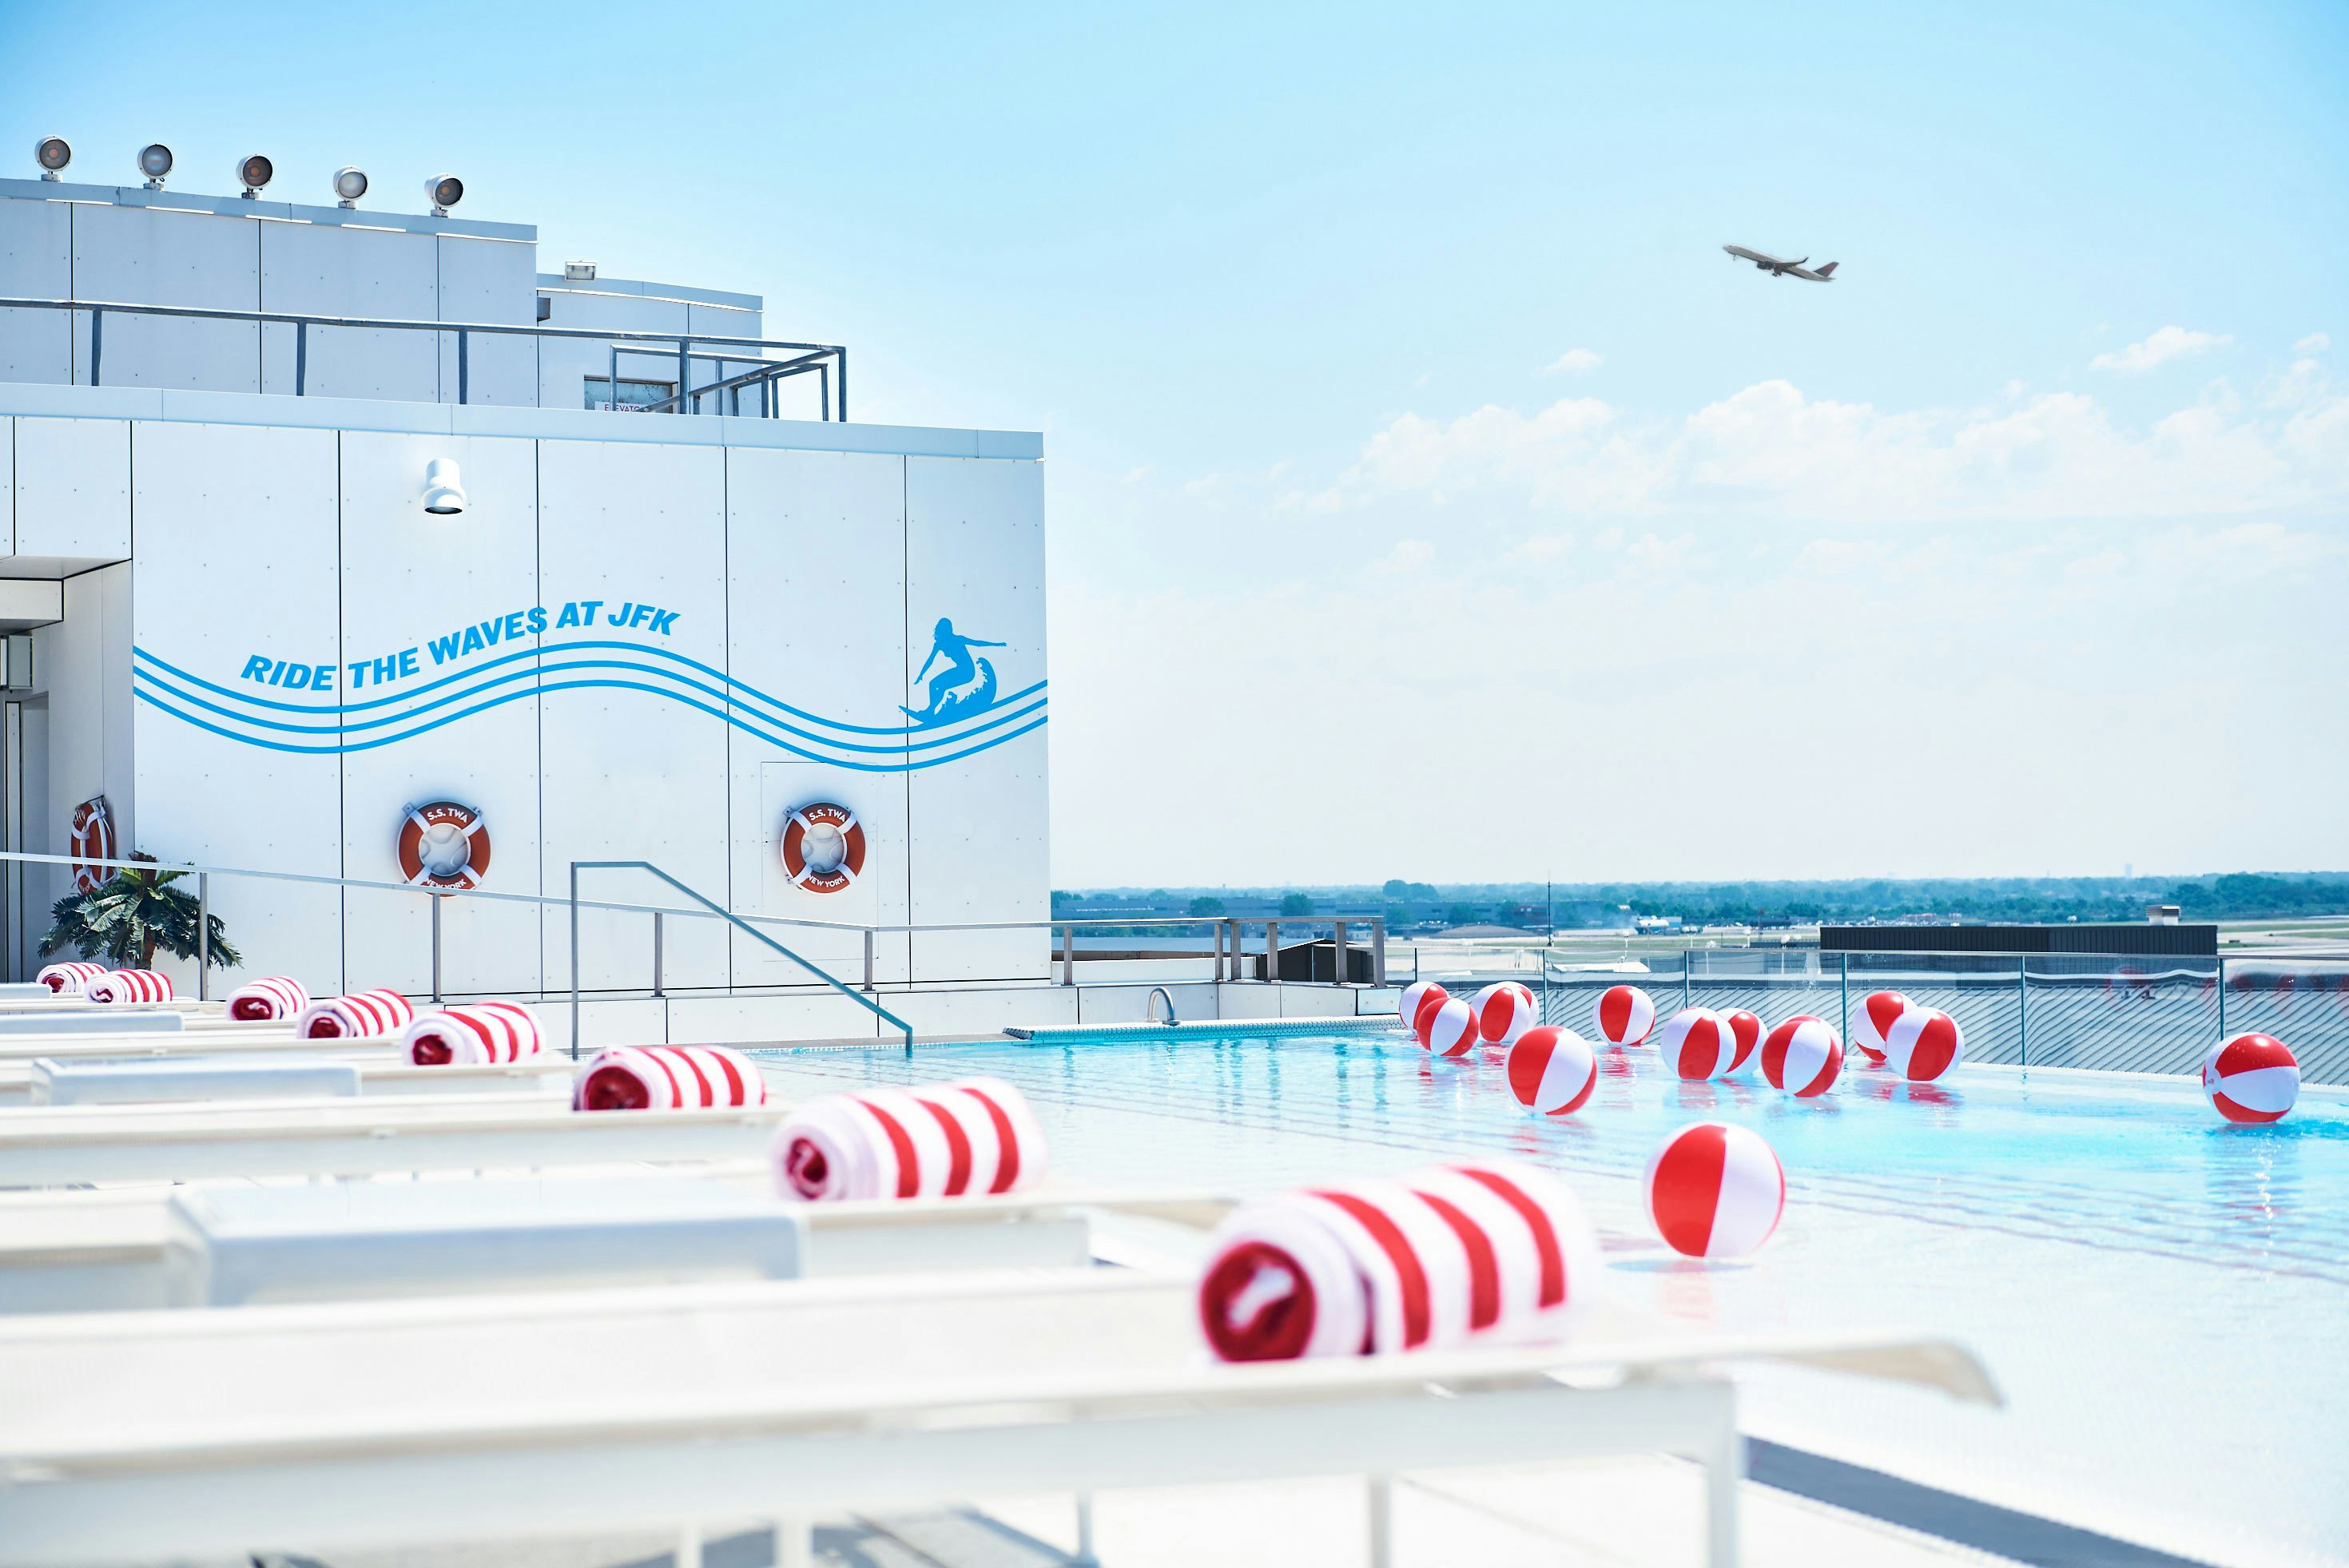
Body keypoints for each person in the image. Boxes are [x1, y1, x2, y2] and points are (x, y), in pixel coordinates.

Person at [914, 617, 1005, 718]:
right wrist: (921, 674)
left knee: (939, 685)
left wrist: (996, 644)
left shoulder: (958, 639)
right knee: (934, 684)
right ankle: (930, 711)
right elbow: (930, 660)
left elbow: (977, 643)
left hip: (968, 671)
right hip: (959, 670)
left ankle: (930, 711)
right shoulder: (939, 644)